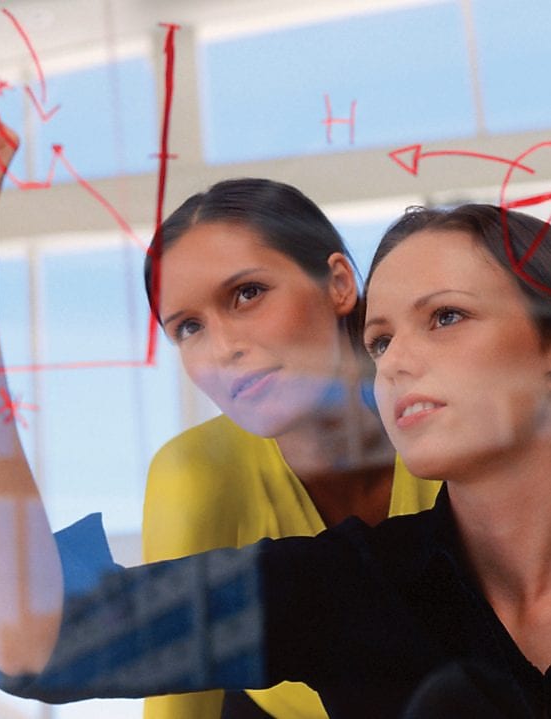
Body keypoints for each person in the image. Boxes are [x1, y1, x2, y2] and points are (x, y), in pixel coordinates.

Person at [0, 90, 551, 718]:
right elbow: (34, 639)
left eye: (445, 317)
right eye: (379, 341)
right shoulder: (350, 585)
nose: (399, 360)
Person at [143, 177, 441, 719]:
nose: (224, 348)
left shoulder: (447, 421)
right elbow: (176, 704)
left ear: (339, 283)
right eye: (188, 328)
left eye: (247, 293)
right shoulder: (194, 476)